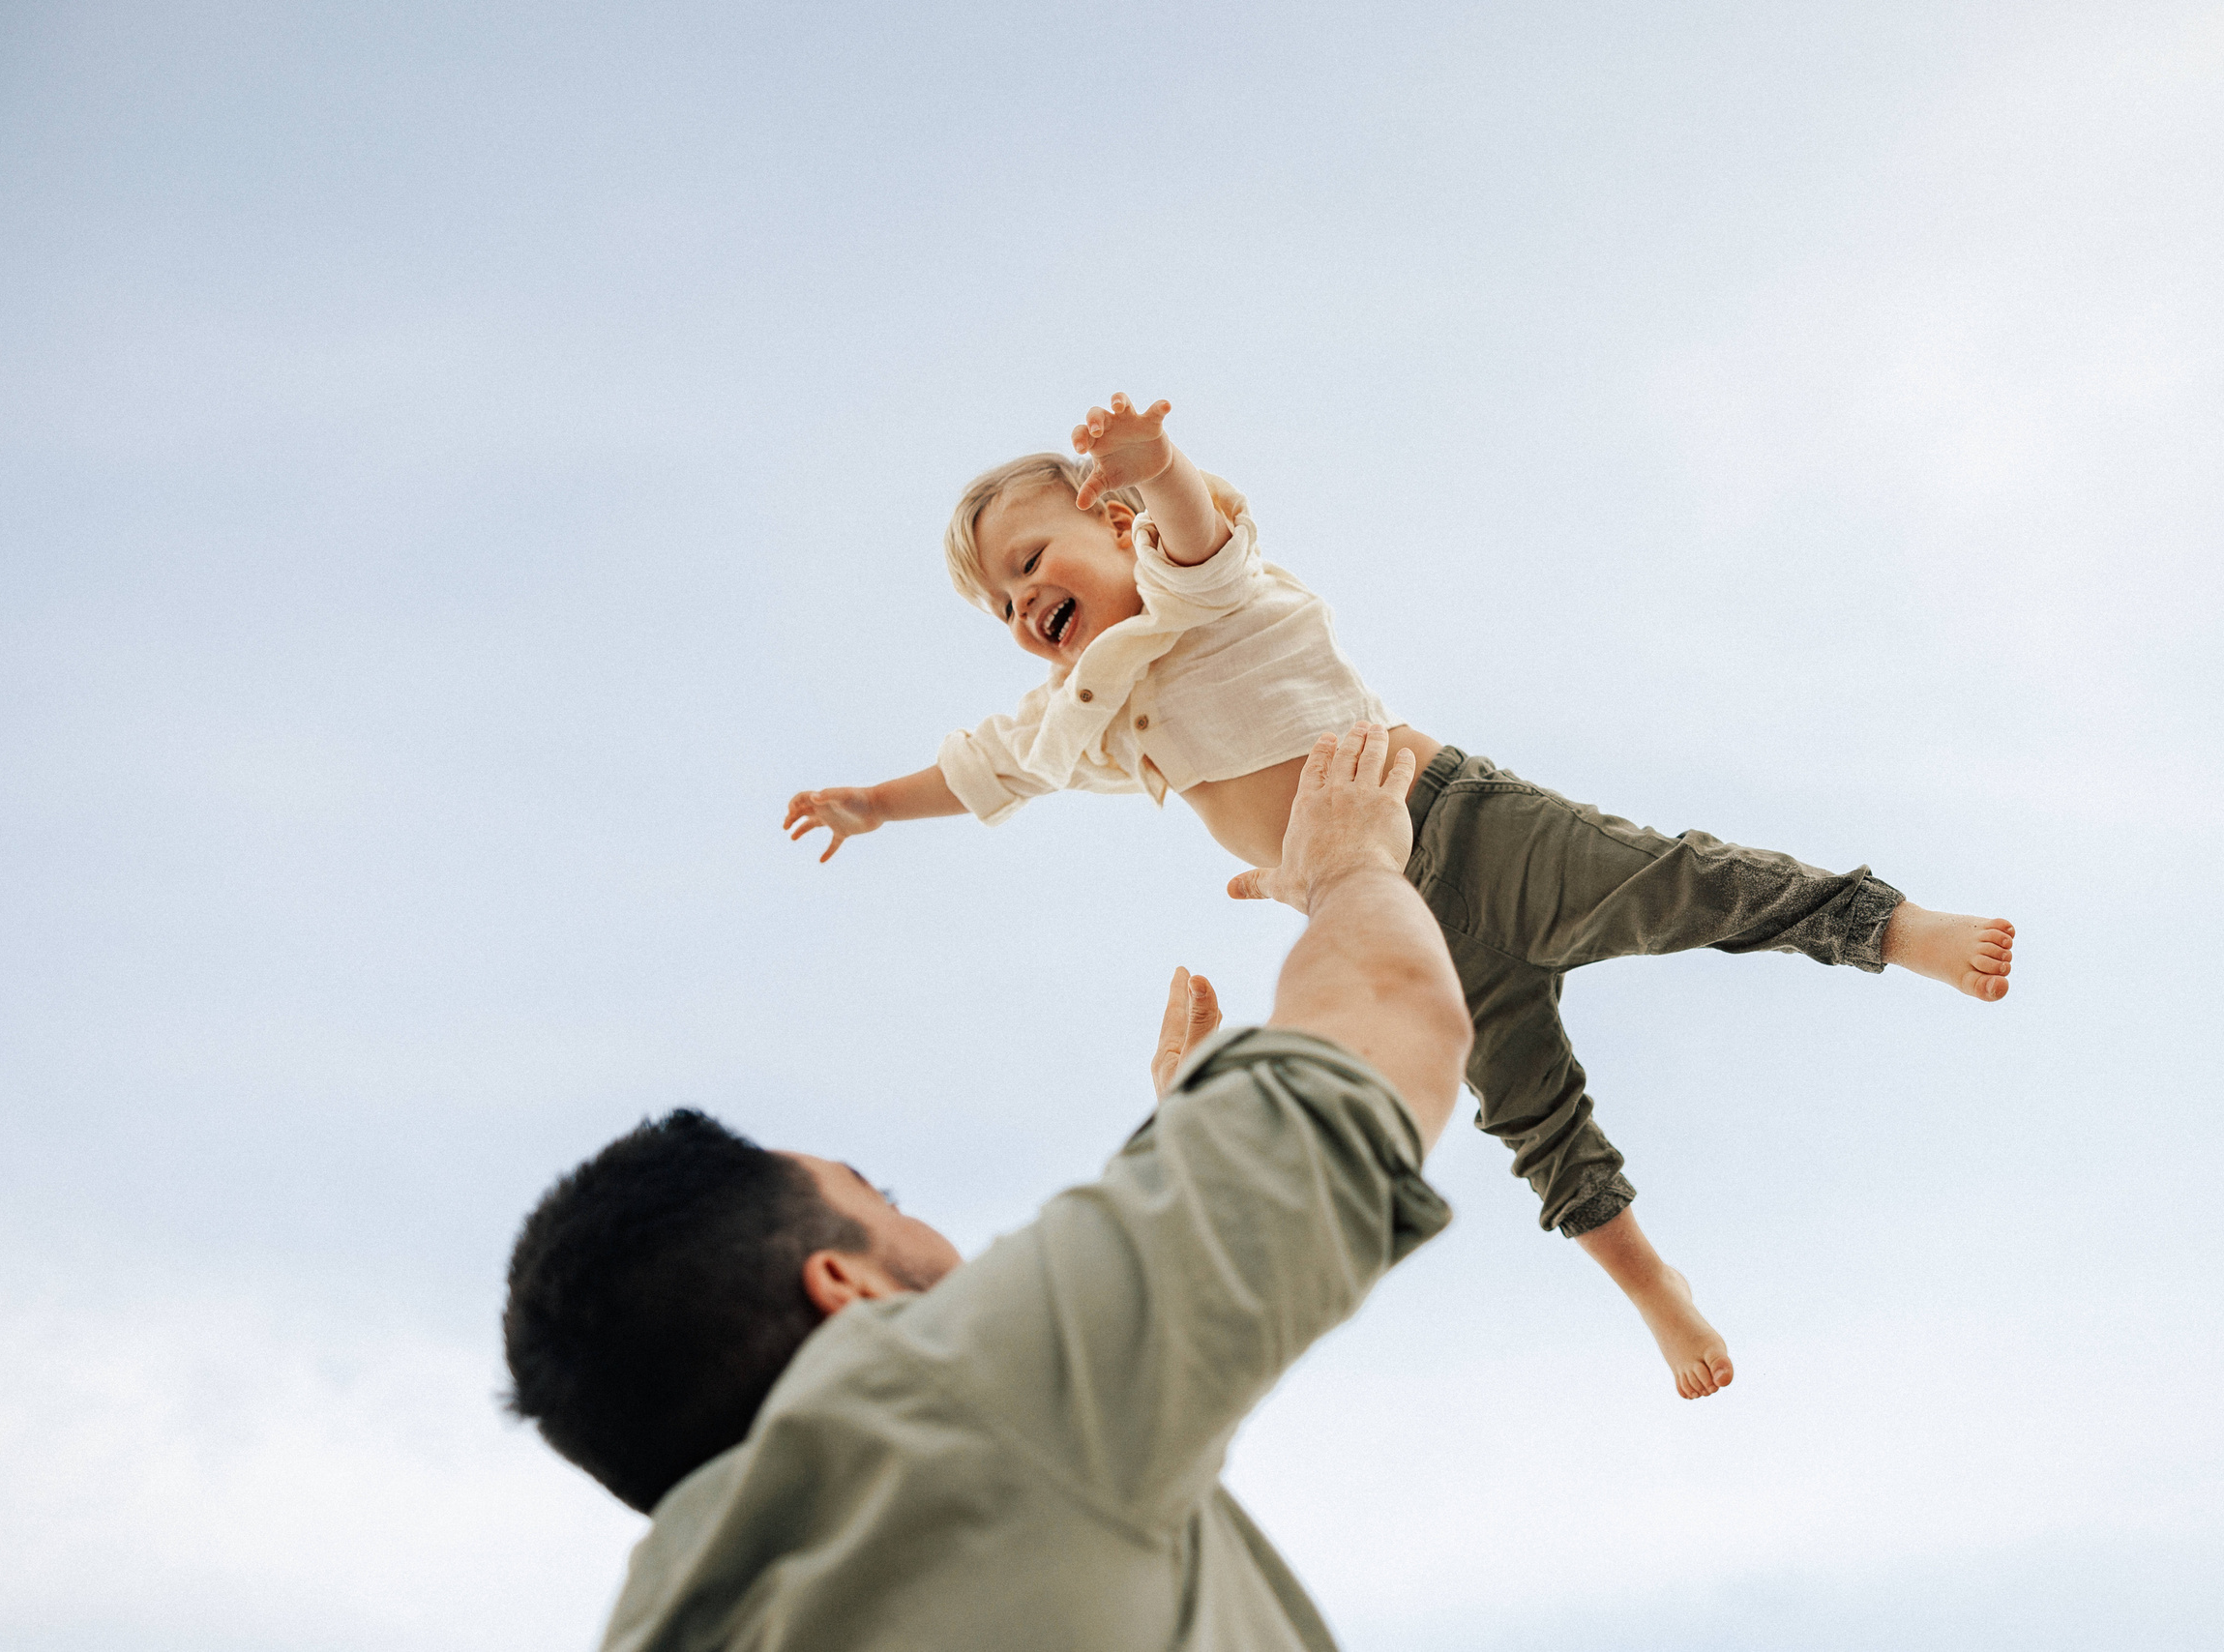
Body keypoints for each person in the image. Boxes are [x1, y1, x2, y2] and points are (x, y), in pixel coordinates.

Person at [782, 395, 2017, 1401]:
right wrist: (872, 806)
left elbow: (1192, 527)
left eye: (1027, 565)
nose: (1018, 609)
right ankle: (1646, 1279)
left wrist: (1157, 464)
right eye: (997, 607)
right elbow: (982, 765)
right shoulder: (1083, 721)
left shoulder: (1193, 587)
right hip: (1381, 917)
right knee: (1529, 1109)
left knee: (1682, 884)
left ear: (1109, 521)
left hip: (1464, 830)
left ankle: (1891, 926)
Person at [506, 724, 1474, 1651]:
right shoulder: (967, 1408)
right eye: (877, 1194)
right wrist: (1345, 865)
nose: (921, 1220)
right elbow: (1389, 1017)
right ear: (844, 1286)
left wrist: (1200, 1146)